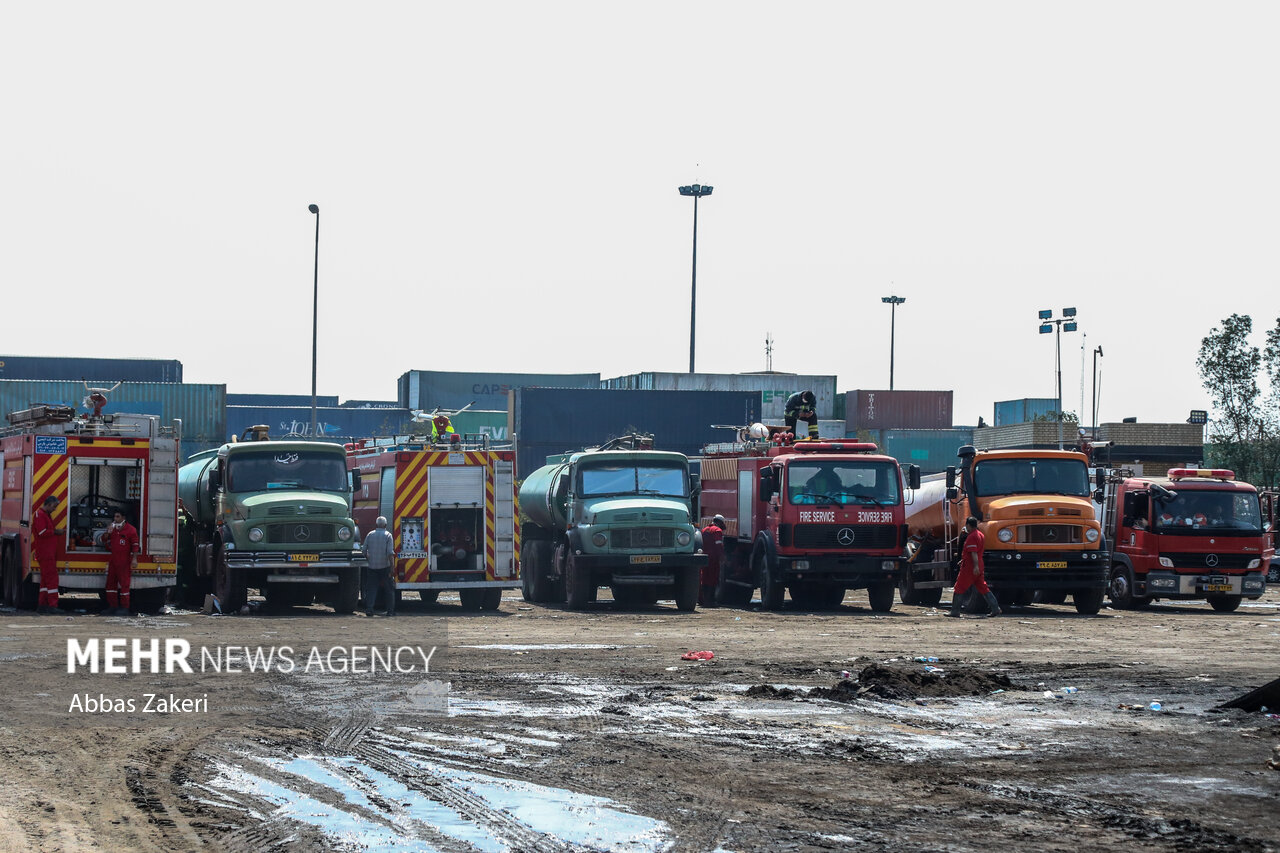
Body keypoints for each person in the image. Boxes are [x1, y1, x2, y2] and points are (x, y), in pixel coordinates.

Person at [948, 516, 1001, 617]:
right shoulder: (980, 534)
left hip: (970, 567)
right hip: (978, 564)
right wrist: (966, 561)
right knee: (983, 587)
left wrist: (975, 566)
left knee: (959, 587)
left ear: (968, 525)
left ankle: (955, 611)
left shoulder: (972, 536)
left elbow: (973, 553)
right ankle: (995, 608)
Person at [101, 511, 139, 616]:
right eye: (114, 516)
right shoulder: (112, 529)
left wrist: (134, 559)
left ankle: (125, 607)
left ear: (123, 518)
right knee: (110, 584)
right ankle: (112, 606)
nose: (115, 519)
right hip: (113, 560)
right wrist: (108, 532)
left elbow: (135, 545)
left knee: (124, 585)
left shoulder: (131, 530)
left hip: (124, 561)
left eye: (117, 516)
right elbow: (103, 539)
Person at [32, 496, 64, 614]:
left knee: (45, 580)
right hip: (46, 553)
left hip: (47, 552)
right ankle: (52, 605)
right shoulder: (40, 515)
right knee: (52, 579)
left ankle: (42, 605)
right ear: (49, 504)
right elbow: (42, 532)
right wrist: (56, 532)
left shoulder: (44, 515)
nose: (55, 509)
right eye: (54, 506)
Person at [363, 516, 396, 617]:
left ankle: (369, 609)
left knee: (371, 589)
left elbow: (364, 550)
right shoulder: (388, 535)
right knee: (389, 589)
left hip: (372, 567)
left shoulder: (370, 535)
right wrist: (392, 567)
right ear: (385, 525)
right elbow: (390, 553)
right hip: (385, 567)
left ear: (376, 524)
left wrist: (369, 559)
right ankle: (390, 611)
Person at [700, 514, 725, 607]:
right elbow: (718, 545)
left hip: (704, 557)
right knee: (713, 578)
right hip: (713, 558)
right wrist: (722, 556)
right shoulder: (717, 530)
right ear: (720, 522)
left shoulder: (704, 530)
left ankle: (702, 600)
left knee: (704, 578)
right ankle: (710, 601)